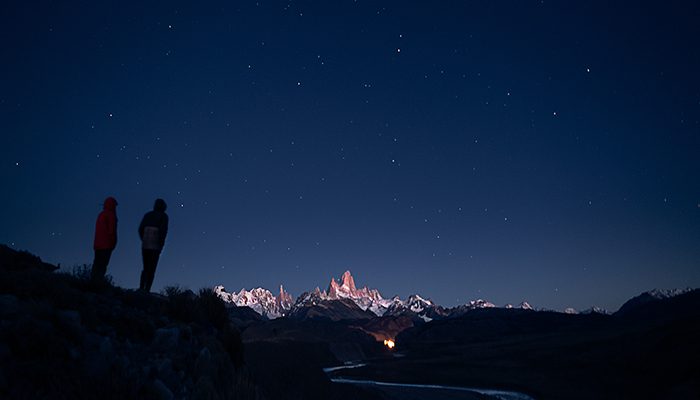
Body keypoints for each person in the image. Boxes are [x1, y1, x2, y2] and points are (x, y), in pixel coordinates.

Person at [138, 198, 168, 292]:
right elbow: (163, 231)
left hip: (145, 243)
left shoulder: (148, 215)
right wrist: (161, 244)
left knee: (145, 267)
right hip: (155, 244)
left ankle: (141, 288)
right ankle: (147, 289)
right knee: (152, 268)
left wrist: (144, 239)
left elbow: (140, 229)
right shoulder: (163, 216)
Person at [92, 196, 118, 282]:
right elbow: (112, 231)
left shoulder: (101, 214)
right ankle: (98, 283)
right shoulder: (111, 215)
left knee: (96, 264)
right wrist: (113, 243)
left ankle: (92, 281)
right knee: (103, 265)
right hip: (107, 245)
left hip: (97, 245)